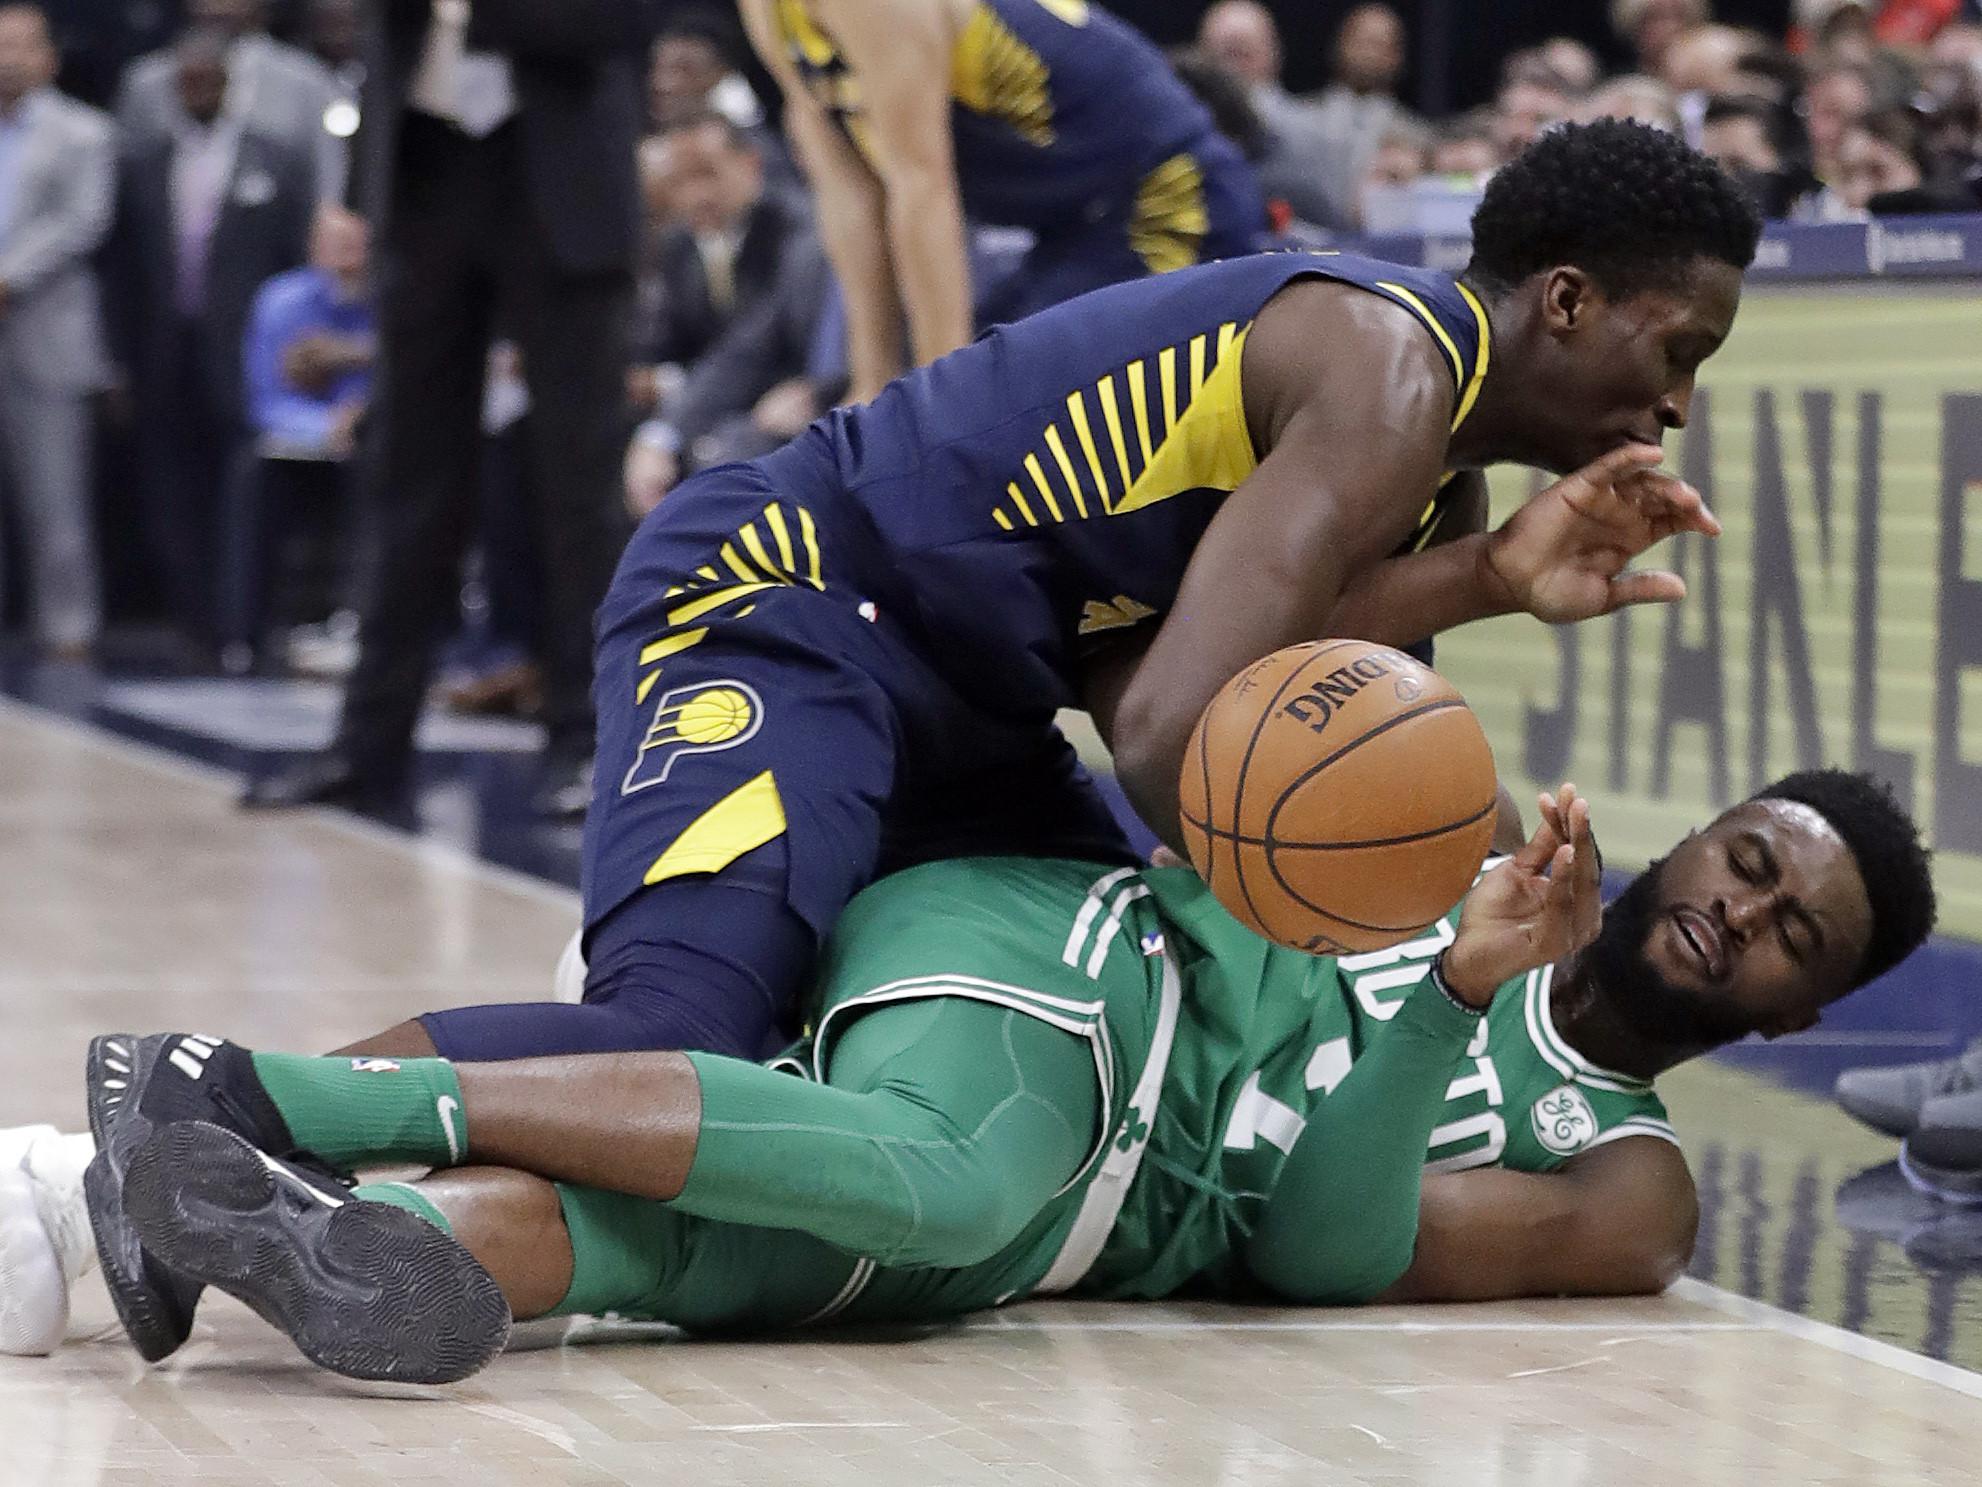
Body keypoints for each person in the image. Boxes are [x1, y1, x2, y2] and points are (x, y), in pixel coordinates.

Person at [214, 124, 1755, 1103]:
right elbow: (1175, 743)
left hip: (967, 690)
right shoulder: (1385, 373)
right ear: (1562, 300)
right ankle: (201, 1124)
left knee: (1114, 1029)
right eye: (1673, 348)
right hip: (789, 594)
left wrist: (1537, 868)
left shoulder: (1439, 490)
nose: (1675, 404)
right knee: (680, 1040)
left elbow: (1265, 717)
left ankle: (709, 944)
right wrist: (1450, 881)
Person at [53, 768, 1935, 1382]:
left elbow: (1321, 1251)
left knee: (665, 1257)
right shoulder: (1434, 832)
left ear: (1793, 1017)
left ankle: (265, 1213)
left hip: (1075, 1216)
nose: (1740, 915)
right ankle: (271, 1091)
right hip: (1066, 973)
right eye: (1747, 861)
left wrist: (1447, 1002)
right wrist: (1447, 952)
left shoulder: (1627, 1180)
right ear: (1696, 838)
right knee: (948, 1169)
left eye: (1794, 938)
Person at [240, 0, 659, 819]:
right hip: (425, 169)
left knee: (577, 485)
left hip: (561, 176)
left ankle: (589, 743)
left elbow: (621, 21)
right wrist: (357, 185)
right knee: (406, 476)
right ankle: (367, 747)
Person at [739, 0, 1262, 399]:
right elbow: (852, 193)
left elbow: (922, 185)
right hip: (1078, 225)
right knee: (984, 387)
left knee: (1008, 407)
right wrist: (871, 384)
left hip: (1173, 193)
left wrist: (936, 402)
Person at [106, 24, 316, 656]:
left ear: (230, 85)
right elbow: (122, 271)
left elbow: (294, 263)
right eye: (185, 82)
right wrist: (116, 361)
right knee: (170, 489)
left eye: (207, 80)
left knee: (244, 489)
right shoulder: (144, 161)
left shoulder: (276, 157)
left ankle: (241, 620)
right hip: (163, 350)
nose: (195, 91)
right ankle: (194, 620)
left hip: (247, 354)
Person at [0, 4, 113, 659]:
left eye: (21, 44)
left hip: (48, 331)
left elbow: (82, 222)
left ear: (49, 56)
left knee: (57, 499)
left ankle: (68, 629)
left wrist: (7, 278)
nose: (8, 57)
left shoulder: (84, 133)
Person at [223, 202, 374, 669]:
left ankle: (361, 622)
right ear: (313, 246)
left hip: (374, 442)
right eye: (336, 242)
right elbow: (267, 399)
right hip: (302, 443)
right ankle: (245, 633)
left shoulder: (398, 299)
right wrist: (331, 425)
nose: (347, 253)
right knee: (252, 476)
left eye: (357, 241)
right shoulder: (282, 300)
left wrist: (357, 388)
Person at [114, 0, 340, 198]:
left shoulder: (305, 82)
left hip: (278, 238)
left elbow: (327, 172)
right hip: (166, 236)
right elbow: (126, 177)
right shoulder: (147, 81)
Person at [1306, 3, 1414, 226]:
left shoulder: (1416, 137)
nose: (1369, 53)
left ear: (1397, 56)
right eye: (1361, 42)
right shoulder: (1298, 120)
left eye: (1380, 45)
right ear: (1340, 45)